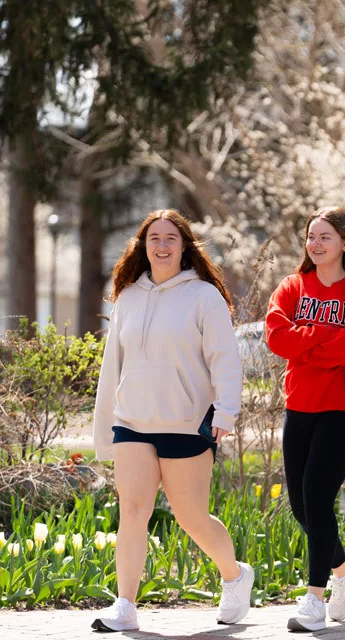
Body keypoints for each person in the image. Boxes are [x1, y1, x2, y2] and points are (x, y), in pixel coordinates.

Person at [91, 209, 253, 632]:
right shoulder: (128, 296)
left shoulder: (203, 296)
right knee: (133, 509)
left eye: (170, 239)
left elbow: (225, 358)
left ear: (184, 246)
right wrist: (106, 420)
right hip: (132, 421)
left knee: (190, 516)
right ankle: (125, 604)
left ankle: (235, 576)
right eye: (153, 239)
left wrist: (226, 411)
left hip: (187, 421)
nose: (161, 246)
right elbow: (114, 363)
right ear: (142, 248)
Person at [265, 206, 345, 632]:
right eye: (311, 236)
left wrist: (305, 340)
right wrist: (324, 338)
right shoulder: (293, 286)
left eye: (325, 236)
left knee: (316, 492)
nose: (315, 243)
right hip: (302, 403)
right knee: (301, 505)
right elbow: (276, 337)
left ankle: (315, 598)